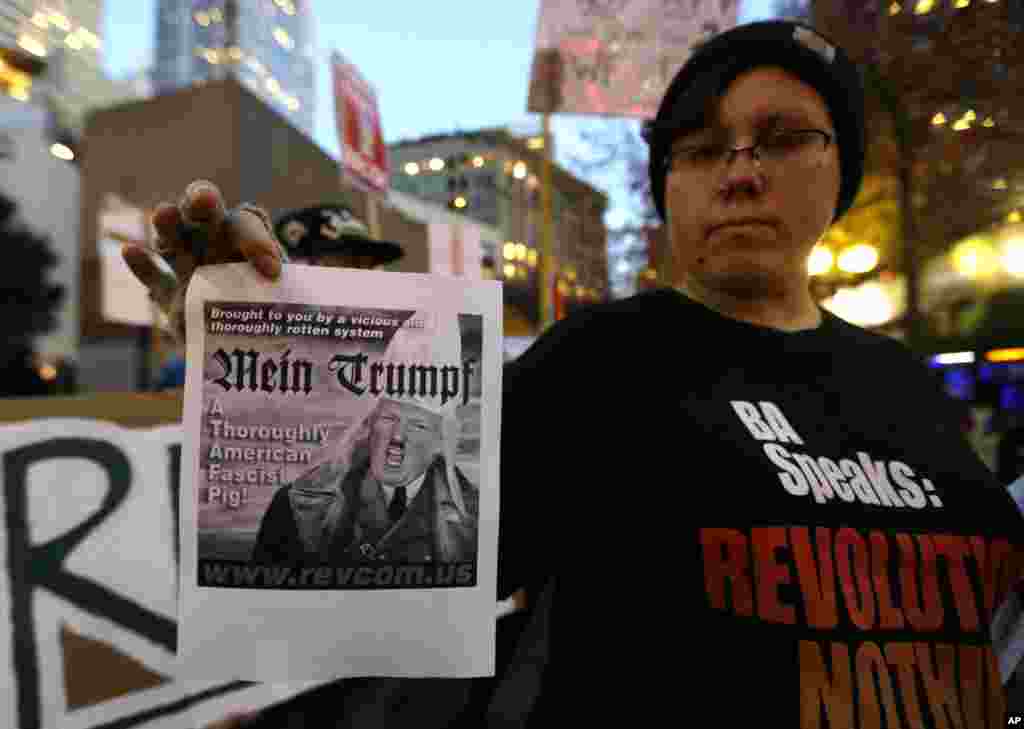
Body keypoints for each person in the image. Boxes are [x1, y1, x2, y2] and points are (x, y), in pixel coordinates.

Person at [123, 20, 1024, 729]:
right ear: (666, 188)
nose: (740, 173)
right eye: (703, 148)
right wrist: (279, 370)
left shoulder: (904, 383)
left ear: (844, 172)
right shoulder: (605, 359)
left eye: (783, 138)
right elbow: (346, 572)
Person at [250, 319, 479, 566]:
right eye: (388, 418)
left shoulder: (477, 521)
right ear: (369, 423)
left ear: (440, 441)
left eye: (418, 425)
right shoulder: (297, 508)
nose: (398, 437)